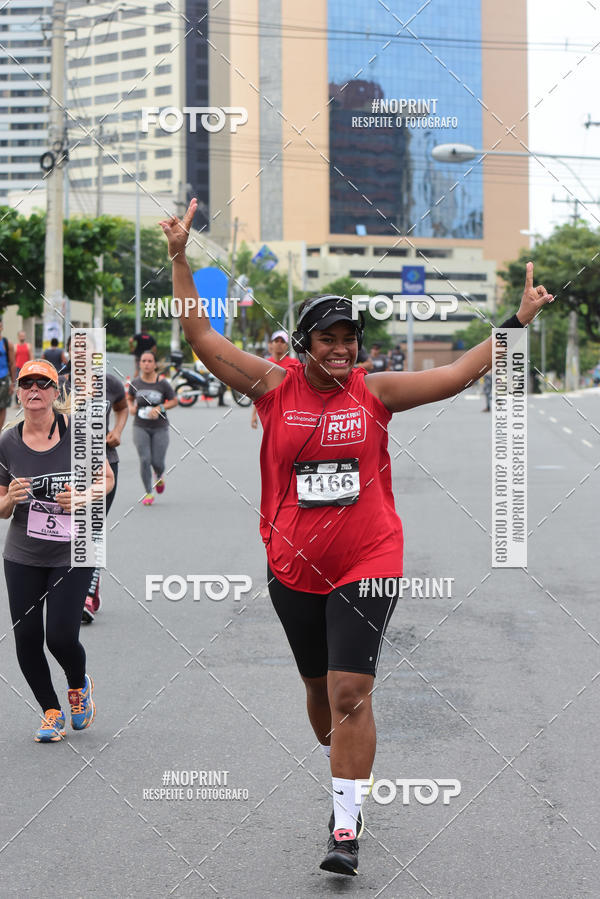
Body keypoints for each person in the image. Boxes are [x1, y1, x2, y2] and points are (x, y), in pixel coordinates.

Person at [160, 199, 554, 876]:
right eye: (328, 340)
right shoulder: (272, 387)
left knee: (350, 692)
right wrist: (178, 256)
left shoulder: (375, 393)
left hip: (369, 558)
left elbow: (459, 373)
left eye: (351, 340)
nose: (342, 350)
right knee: (318, 691)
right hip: (292, 565)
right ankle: (345, 769)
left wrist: (516, 322)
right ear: (305, 345)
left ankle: (345, 823)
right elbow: (203, 339)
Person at [0, 359, 114, 742]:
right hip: (23, 555)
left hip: (73, 549)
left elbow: (107, 480)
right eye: (27, 383)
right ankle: (51, 711)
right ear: (18, 392)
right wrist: (10, 499)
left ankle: (78, 686)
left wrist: (82, 497)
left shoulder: (79, 435)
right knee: (27, 637)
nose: (35, 390)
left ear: (55, 392)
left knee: (61, 637)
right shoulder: (6, 442)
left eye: (43, 383)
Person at [82, 372, 129, 623]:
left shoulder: (109, 382)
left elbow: (123, 408)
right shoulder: (55, 382)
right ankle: (81, 585)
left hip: (106, 464)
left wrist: (118, 430)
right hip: (69, 466)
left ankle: (87, 593)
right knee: (73, 532)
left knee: (94, 528)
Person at [127, 350, 177, 505]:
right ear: (140, 364)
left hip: (160, 427)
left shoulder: (162, 383)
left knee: (157, 462)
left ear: (155, 364)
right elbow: (129, 398)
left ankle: (159, 475)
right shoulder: (135, 383)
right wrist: (131, 407)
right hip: (140, 426)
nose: (146, 364)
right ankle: (148, 492)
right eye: (143, 361)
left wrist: (160, 408)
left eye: (149, 361)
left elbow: (174, 401)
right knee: (144, 459)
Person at [250, 330, 299, 428]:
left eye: (282, 341)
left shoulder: (295, 364)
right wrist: (254, 415)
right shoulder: (264, 365)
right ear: (271, 345)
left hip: (290, 411)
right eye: (277, 341)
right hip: (270, 410)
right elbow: (259, 391)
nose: (279, 344)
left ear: (286, 346)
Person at [0, 319, 15, 429]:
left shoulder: (6, 343)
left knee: (3, 407)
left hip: (3, 379)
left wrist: (13, 383)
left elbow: (12, 364)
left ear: (1, 327)